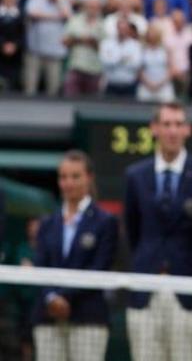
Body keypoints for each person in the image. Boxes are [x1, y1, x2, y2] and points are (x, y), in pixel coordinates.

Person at [123, 101, 192, 361]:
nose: (172, 131)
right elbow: (133, 232)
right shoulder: (135, 176)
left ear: (188, 130)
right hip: (145, 290)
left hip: (188, 293)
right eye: (166, 124)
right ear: (154, 129)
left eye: (179, 124)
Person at [32, 151, 117, 361]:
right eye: (63, 177)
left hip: (88, 318)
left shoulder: (106, 222)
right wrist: (51, 298)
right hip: (48, 318)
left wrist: (65, 298)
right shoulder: (47, 224)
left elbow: (99, 268)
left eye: (75, 176)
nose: (68, 183)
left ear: (89, 177)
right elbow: (40, 266)